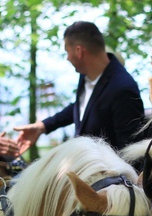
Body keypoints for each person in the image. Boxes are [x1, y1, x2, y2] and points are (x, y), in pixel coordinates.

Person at [14, 21, 144, 152]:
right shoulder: (87, 74)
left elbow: (130, 151)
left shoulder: (123, 89)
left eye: (67, 51)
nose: (67, 58)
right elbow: (81, 107)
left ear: (78, 51)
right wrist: (42, 126)